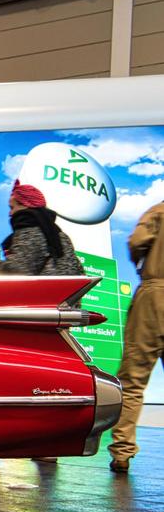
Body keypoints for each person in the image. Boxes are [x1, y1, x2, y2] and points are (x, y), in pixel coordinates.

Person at [108, 200, 164, 474]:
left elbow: (137, 242)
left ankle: (122, 453)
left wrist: (142, 263)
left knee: (133, 381)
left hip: (154, 294)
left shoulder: (158, 211)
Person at [2, 181, 83, 276]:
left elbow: (18, 270)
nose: (10, 213)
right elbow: (79, 271)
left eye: (12, 207)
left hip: (44, 290)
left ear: (25, 205)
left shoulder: (30, 230)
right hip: (68, 290)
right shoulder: (61, 235)